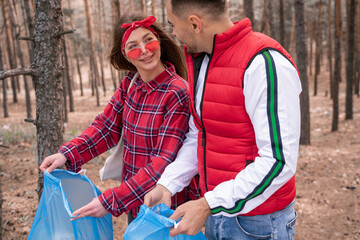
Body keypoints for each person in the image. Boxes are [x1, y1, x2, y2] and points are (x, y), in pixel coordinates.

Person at [144, 0, 302, 239]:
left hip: (258, 224)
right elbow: (202, 134)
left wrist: (208, 204)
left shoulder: (264, 63)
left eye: (172, 24)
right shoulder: (206, 60)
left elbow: (278, 160)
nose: (173, 33)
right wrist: (169, 183)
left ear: (195, 23)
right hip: (216, 213)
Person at [39, 13, 199, 224]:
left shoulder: (177, 92)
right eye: (134, 46)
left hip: (166, 206)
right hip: (134, 199)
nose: (143, 50)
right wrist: (66, 154)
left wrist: (112, 200)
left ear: (158, 41)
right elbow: (105, 128)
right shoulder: (130, 84)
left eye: (148, 40)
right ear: (124, 54)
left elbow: (163, 162)